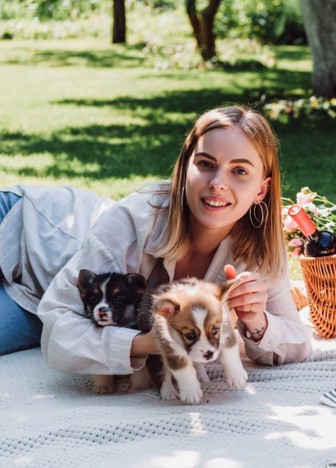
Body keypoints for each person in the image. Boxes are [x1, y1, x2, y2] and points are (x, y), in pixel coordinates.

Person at [0, 105, 313, 375]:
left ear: (262, 189)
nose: (218, 183)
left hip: (37, 296)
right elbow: (60, 326)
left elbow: (297, 344)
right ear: (184, 170)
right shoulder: (135, 220)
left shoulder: (258, 249)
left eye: (240, 171)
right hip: (28, 228)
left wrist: (257, 320)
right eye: (205, 164)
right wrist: (146, 344)